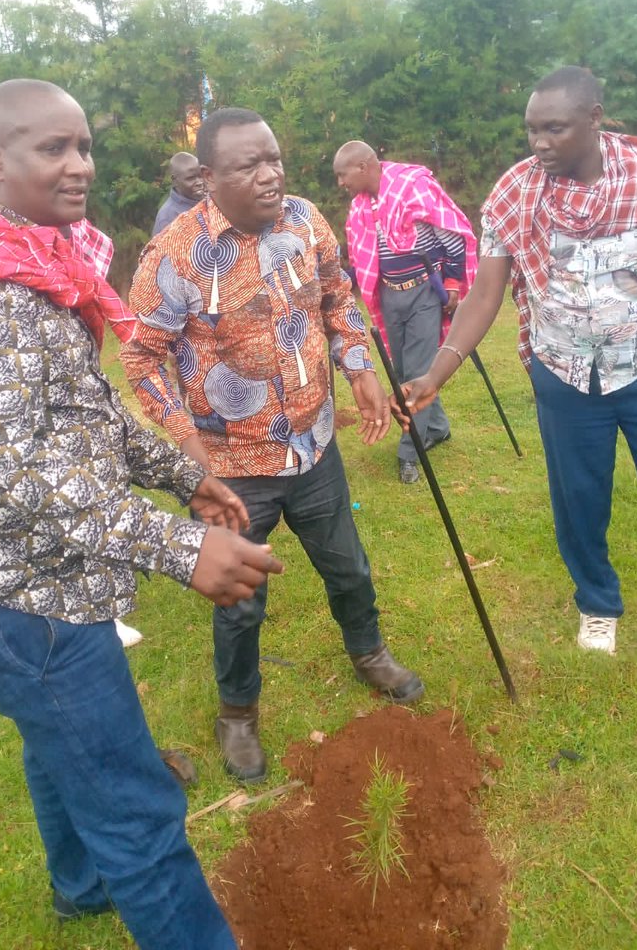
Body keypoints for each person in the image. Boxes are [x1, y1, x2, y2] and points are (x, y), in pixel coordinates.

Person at [0, 79, 284, 949]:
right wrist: (178, 545)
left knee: (59, 750)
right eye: (52, 149)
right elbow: (18, 462)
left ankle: (80, 884)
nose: (79, 167)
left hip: (31, 591)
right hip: (31, 603)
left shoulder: (25, 256)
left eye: (85, 147)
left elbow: (80, 409)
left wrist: (183, 475)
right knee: (138, 806)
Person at [122, 107, 424, 785]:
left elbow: (338, 299)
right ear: (207, 177)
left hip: (314, 448)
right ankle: (238, 713)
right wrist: (185, 444)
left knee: (348, 567)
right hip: (232, 471)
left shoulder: (305, 219)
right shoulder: (174, 255)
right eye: (247, 166)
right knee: (239, 600)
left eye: (275, 159)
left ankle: (369, 652)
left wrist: (362, 369)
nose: (269, 175)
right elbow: (142, 358)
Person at [397, 66, 637, 665]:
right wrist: (435, 373)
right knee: (579, 497)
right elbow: (485, 294)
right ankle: (597, 604)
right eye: (531, 130)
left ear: (594, 120)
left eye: (555, 128)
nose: (540, 142)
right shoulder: (515, 192)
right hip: (564, 371)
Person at [334, 141, 477, 483]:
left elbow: (452, 232)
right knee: (403, 369)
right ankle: (437, 428)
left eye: (343, 174)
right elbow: (362, 259)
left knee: (416, 370)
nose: (340, 182)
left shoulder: (414, 187)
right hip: (388, 296)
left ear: (364, 167)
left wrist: (455, 283)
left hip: (425, 292)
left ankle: (410, 451)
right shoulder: (360, 208)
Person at [152, 151, 206, 235]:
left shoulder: (209, 199)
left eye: (201, 176)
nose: (200, 182)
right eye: (191, 178)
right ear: (175, 180)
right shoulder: (168, 217)